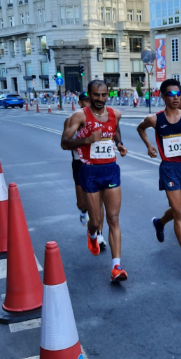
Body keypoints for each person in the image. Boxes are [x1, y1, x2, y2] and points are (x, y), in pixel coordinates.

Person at [60, 80, 128, 282]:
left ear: (108, 94)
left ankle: (116, 267)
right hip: (89, 171)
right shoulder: (80, 116)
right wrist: (87, 140)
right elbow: (64, 142)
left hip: (111, 170)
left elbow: (115, 131)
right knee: (96, 222)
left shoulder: (116, 114)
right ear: (89, 95)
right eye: (96, 95)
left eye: (104, 95)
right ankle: (91, 234)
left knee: (113, 219)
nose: (100, 99)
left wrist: (120, 144)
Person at [137, 79, 181, 270]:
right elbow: (140, 128)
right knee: (179, 212)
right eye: (172, 95)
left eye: (179, 95)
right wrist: (149, 145)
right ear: (163, 96)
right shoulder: (155, 119)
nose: (176, 99)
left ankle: (160, 223)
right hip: (169, 168)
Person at [60, 92, 107, 251]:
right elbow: (65, 144)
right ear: (80, 103)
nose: (89, 104)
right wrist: (85, 141)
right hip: (79, 164)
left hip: (97, 164)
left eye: (91, 101)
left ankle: (99, 234)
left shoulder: (100, 118)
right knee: (82, 203)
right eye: (86, 101)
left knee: (99, 200)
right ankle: (83, 211)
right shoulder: (71, 120)